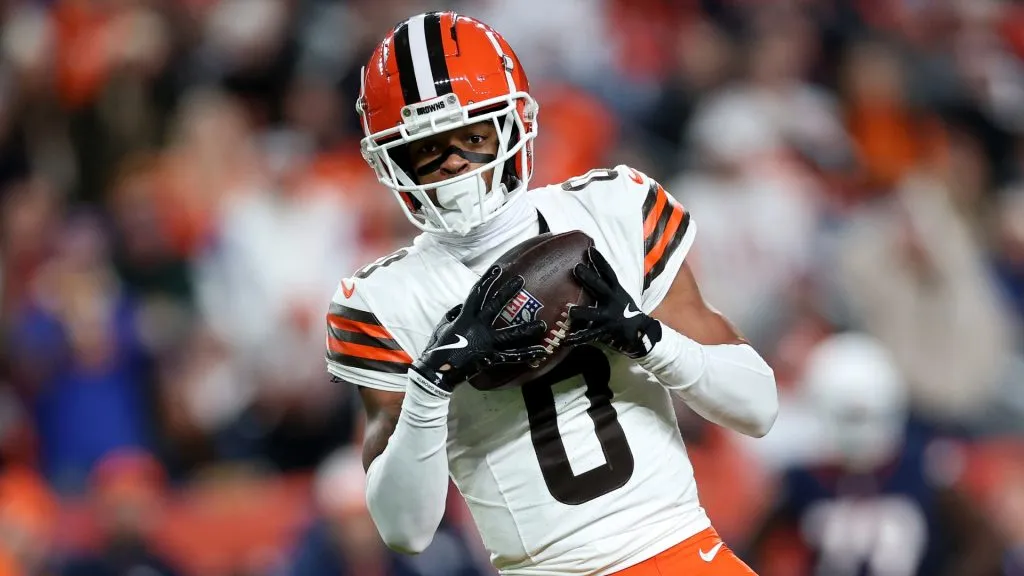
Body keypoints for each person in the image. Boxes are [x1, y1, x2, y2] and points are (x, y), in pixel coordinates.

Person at [325, 11, 778, 575]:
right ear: (391, 160)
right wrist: (432, 384)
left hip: (682, 550)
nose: (455, 165)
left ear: (516, 121)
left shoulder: (613, 208)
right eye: (428, 150)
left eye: (472, 136)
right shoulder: (381, 300)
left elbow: (758, 407)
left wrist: (644, 337)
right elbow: (404, 529)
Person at [747, 333, 1004, 576]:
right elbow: (746, 548)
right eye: (851, 418)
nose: (860, 432)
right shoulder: (804, 478)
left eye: (866, 417)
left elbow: (986, 545)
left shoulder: (927, 469)